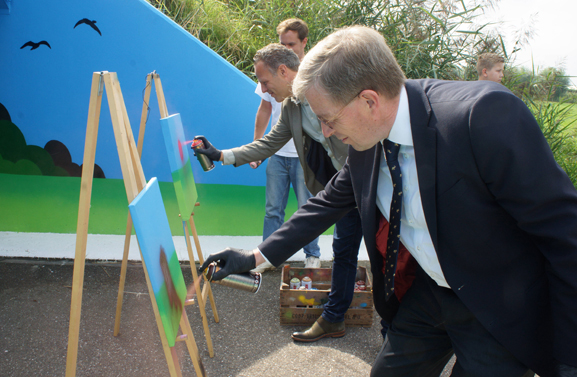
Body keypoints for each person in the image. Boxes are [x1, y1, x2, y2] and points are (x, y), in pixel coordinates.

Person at [199, 26, 577, 377]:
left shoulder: (482, 117)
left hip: (498, 305)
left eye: (328, 120)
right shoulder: (365, 136)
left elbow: (564, 234)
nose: (326, 132)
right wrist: (255, 257)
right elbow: (327, 202)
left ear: (369, 101)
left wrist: (569, 355)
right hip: (428, 294)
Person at [195, 43, 365, 343]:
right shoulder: (289, 109)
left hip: (372, 178)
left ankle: (395, 329)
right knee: (344, 251)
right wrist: (221, 154)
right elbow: (266, 144)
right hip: (342, 188)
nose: (263, 89)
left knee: (385, 255)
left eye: (264, 81)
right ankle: (335, 316)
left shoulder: (329, 86)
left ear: (284, 72)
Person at [250, 18, 320, 272]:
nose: (287, 49)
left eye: (291, 44)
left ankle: (312, 254)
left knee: (308, 210)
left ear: (304, 42)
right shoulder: (269, 70)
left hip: (304, 155)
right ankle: (268, 256)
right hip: (277, 153)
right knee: (272, 210)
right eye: (282, 44)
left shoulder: (313, 72)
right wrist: (257, 148)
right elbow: (264, 109)